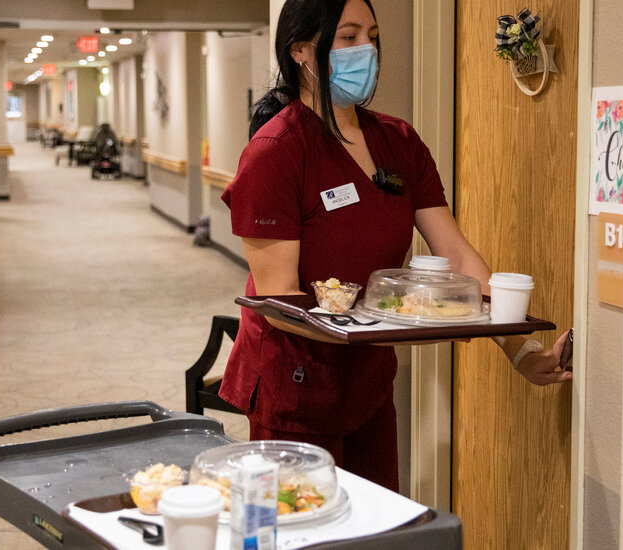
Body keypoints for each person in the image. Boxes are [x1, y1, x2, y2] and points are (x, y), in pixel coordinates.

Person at [219, 0, 572, 491]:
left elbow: (457, 255)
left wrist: (521, 351)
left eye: (373, 35)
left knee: (378, 521)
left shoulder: (398, 141)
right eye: (348, 37)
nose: (366, 50)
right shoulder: (276, 152)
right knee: (305, 522)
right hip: (294, 387)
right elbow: (280, 300)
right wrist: (384, 328)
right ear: (301, 50)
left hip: (368, 384)